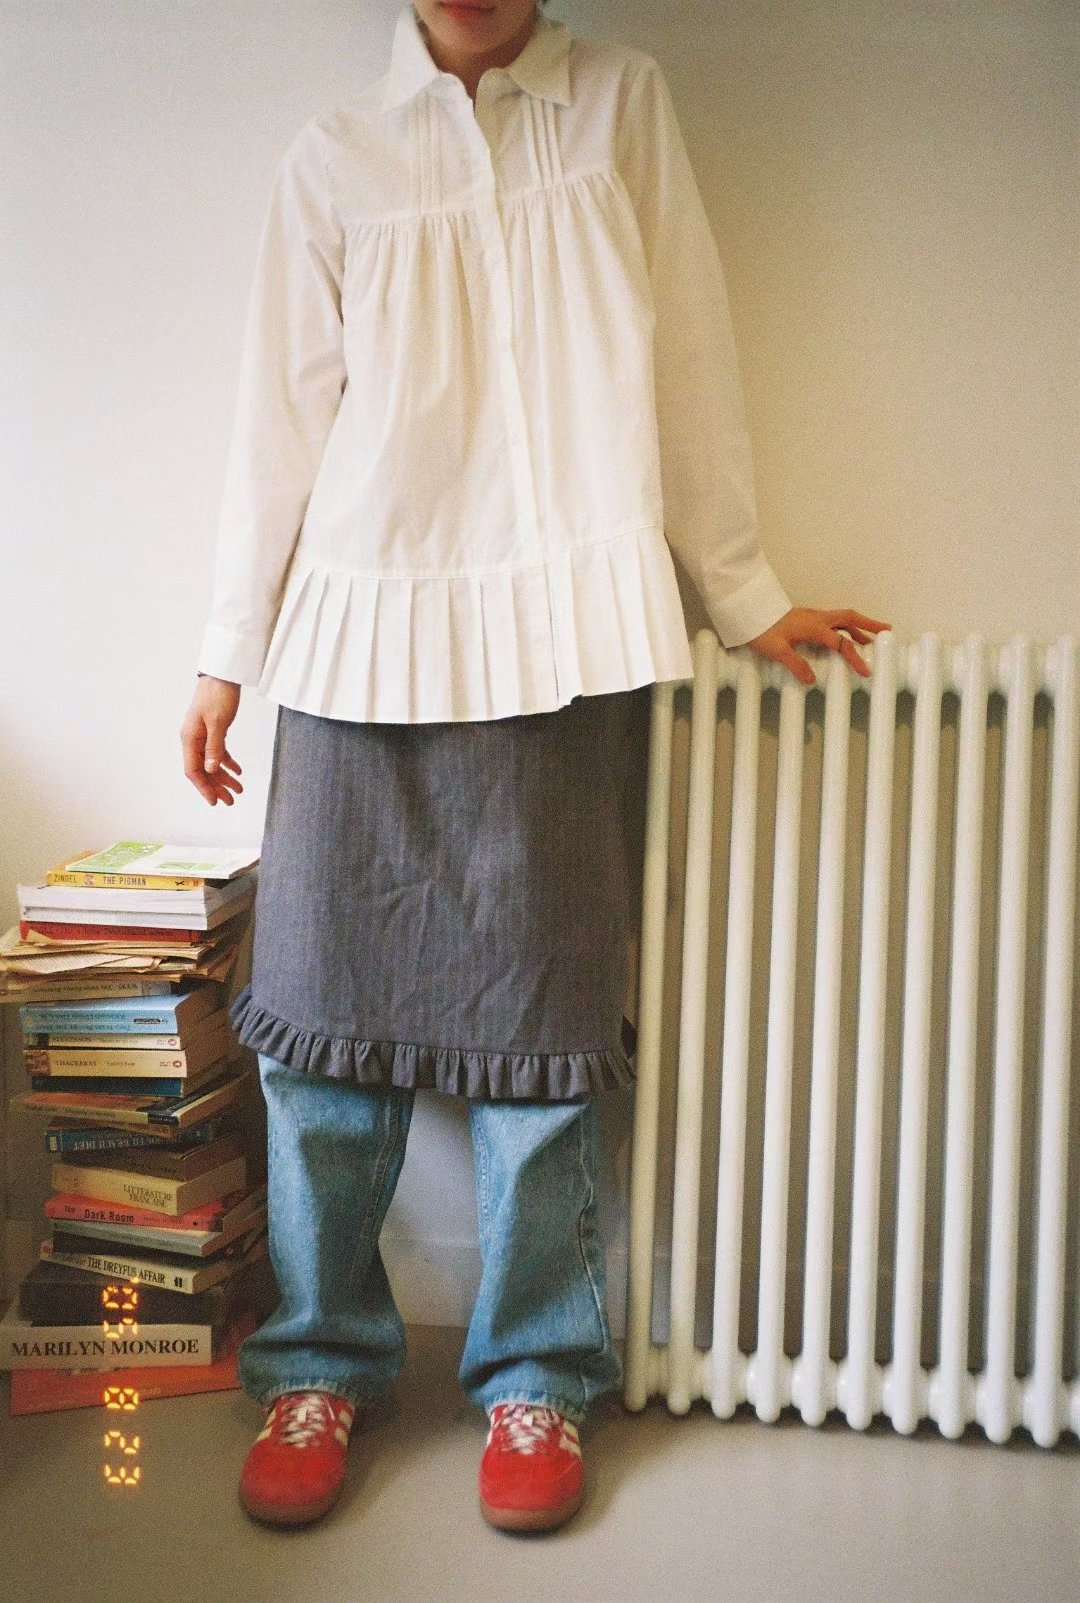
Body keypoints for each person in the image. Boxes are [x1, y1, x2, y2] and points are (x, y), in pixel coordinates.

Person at [180, 0, 889, 1535]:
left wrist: (744, 591)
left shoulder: (622, 108)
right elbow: (276, 420)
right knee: (317, 1028)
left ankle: (536, 1376)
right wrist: (227, 650)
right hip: (361, 637)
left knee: (550, 1028)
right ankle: (321, 1361)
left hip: (564, 631)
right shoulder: (336, 155)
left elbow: (686, 352)